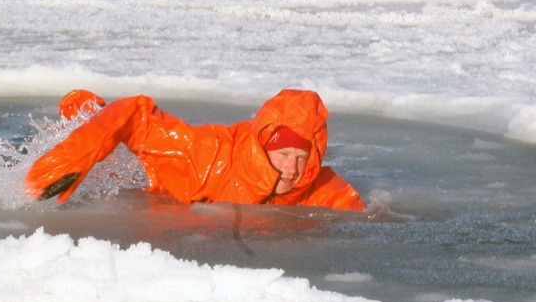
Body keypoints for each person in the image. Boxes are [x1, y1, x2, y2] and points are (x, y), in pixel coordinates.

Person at [24, 88, 365, 212]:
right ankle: (83, 115)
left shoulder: (323, 192)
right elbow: (134, 114)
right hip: (155, 181)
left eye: (302, 158)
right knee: (118, 172)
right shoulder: (204, 155)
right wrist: (73, 156)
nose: (292, 169)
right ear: (263, 148)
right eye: (284, 155)